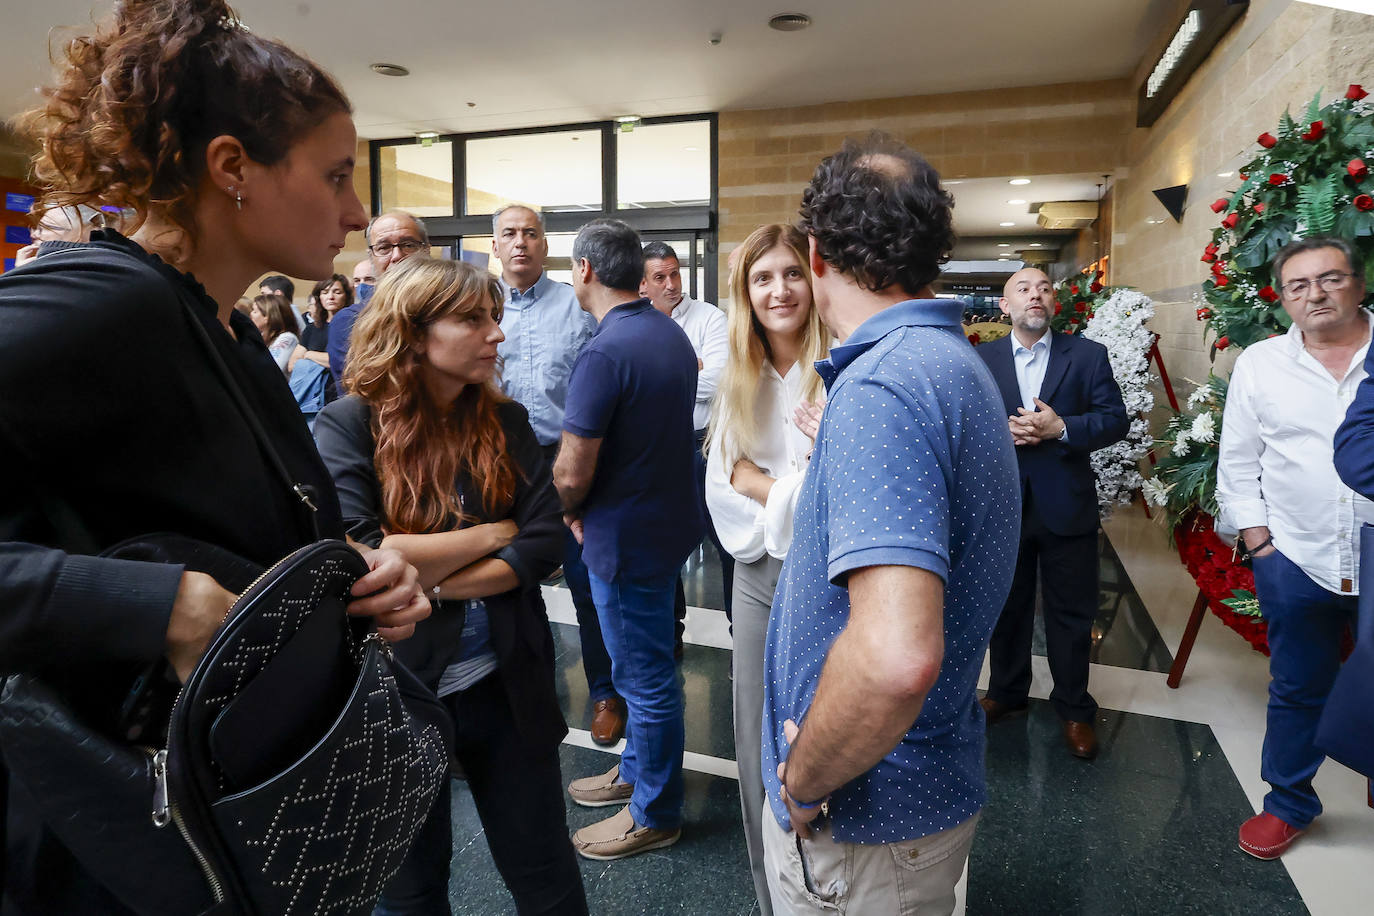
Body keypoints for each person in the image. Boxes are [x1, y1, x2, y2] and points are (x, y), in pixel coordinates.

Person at [0, 2, 429, 912]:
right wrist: (157, 607)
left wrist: (347, 573)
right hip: (107, 847)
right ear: (233, 167)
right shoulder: (102, 305)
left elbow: (214, 524)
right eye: (337, 176)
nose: (357, 214)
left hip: (214, 832)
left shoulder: (223, 330)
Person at [760, 134, 1020, 915]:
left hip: (865, 822)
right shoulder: (945, 360)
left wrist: (804, 782)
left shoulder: (884, 386)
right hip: (908, 805)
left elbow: (895, 657)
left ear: (816, 254)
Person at [315, 257, 587, 915]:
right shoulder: (349, 424)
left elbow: (547, 539)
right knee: (410, 893)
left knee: (546, 877)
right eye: (472, 319)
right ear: (413, 333)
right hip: (392, 694)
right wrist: (497, 534)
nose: (496, 333)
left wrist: (422, 579)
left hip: (506, 683)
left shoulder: (506, 423)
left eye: (494, 316)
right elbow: (366, 556)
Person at [1219, 236, 1371, 860]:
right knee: (1297, 685)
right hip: (1297, 555)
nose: (1316, 295)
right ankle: (1288, 802)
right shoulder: (1261, 363)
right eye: (1299, 286)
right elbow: (1239, 460)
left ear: (1359, 283)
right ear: (1283, 299)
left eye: (1330, 279)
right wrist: (1259, 542)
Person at [555, 219, 703, 860]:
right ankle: (637, 772)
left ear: (584, 269)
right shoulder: (667, 333)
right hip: (664, 524)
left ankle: (656, 812)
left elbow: (572, 469)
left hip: (623, 535)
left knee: (643, 678)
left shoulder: (605, 351)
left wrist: (567, 508)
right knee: (648, 666)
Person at [703, 222, 829, 916]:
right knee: (753, 730)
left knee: (821, 730)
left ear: (813, 280)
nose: (778, 290)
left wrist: (765, 487)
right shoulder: (736, 377)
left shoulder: (840, 365)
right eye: (762, 278)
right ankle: (769, 895)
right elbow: (720, 483)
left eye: (791, 273)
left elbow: (843, 493)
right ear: (744, 293)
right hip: (755, 571)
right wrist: (789, 491)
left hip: (828, 576)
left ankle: (826, 887)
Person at [974, 267, 1128, 759]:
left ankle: (1075, 709)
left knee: (1071, 613)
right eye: (1023, 289)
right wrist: (1002, 433)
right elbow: (966, 424)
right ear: (1005, 306)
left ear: (1053, 304)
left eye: (1043, 289)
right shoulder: (981, 358)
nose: (1034, 296)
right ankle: (1006, 694)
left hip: (1067, 505)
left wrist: (1062, 427)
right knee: (1008, 607)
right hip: (1004, 505)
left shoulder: (1087, 356)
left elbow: (1114, 421)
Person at [489, 204, 624, 744]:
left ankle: (605, 692)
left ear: (547, 246)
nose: (520, 242)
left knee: (586, 582)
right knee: (505, 581)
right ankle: (520, 688)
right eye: (509, 234)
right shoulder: (477, 304)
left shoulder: (578, 304)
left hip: (564, 460)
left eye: (531, 233)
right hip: (495, 461)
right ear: (494, 246)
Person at [641, 241, 735, 626]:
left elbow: (716, 381)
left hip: (705, 444)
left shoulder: (709, 318)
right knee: (662, 544)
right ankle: (671, 632)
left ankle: (738, 636)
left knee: (725, 541)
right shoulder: (636, 321)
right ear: (643, 284)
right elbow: (632, 386)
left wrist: (656, 377)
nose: (671, 284)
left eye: (674, 273)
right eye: (659, 277)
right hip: (658, 447)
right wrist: (687, 367)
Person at [327, 210, 428, 388]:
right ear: (371, 257)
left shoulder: (453, 308)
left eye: (409, 245)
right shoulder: (350, 322)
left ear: (426, 250)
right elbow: (360, 392)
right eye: (384, 248)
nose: (397, 256)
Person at [248, 292, 301, 373]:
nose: (250, 315)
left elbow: (270, 369)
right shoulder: (263, 338)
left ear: (268, 317)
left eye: (255, 311)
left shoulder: (287, 338)